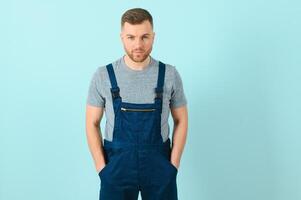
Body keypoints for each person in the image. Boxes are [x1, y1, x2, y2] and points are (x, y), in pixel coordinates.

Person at [85, 7, 188, 200]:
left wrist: (173, 166)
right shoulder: (103, 75)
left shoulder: (170, 74)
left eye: (144, 37)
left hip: (159, 167)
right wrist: (102, 169)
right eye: (131, 37)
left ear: (153, 37)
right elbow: (91, 123)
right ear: (122, 37)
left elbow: (181, 120)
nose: (138, 44)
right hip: (116, 169)